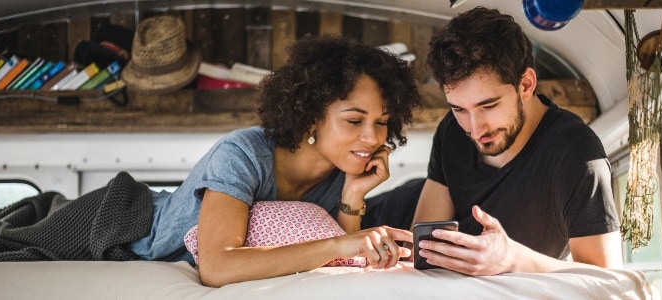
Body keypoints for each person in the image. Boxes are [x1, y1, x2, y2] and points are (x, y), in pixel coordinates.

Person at [129, 35, 422, 287]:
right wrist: (337, 244)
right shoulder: (242, 154)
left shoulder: (340, 172)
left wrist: (353, 194)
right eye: (355, 120)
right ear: (310, 116)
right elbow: (217, 267)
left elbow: (343, 259)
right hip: (124, 226)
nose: (372, 138)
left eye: (382, 122)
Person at [410, 6, 623, 276]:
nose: (474, 129)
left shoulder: (577, 154)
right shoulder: (452, 130)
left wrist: (512, 259)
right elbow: (426, 250)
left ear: (525, 85)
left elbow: (606, 280)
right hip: (393, 210)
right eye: (459, 109)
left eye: (488, 105)